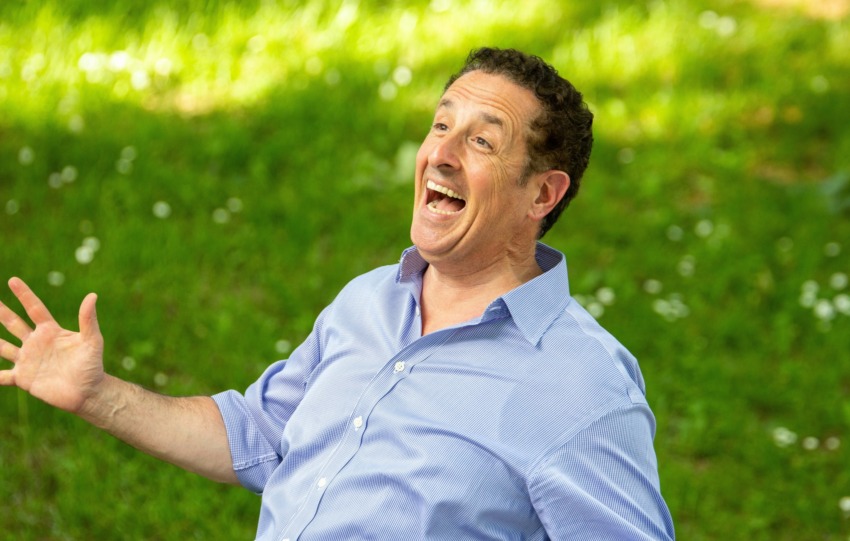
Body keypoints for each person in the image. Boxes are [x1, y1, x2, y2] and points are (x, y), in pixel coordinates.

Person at [0, 47, 675, 540]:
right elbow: (261, 435)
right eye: (441, 126)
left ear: (542, 194)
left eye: (481, 140)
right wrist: (97, 394)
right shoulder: (369, 301)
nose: (442, 154)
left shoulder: (583, 390)